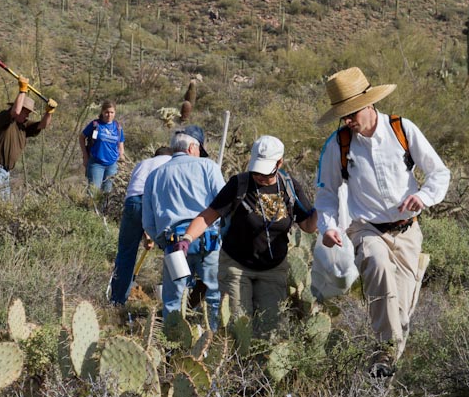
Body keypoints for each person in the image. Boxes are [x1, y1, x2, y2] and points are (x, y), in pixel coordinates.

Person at [315, 67, 450, 377]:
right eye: (343, 116)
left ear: (368, 104)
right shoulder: (338, 145)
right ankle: (383, 357)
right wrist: (329, 227)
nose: (347, 121)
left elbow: (439, 173)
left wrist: (425, 197)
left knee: (400, 314)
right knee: (376, 265)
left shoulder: (402, 130)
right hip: (367, 229)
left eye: (351, 113)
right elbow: (325, 194)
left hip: (407, 230)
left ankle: (384, 379)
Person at [177, 136, 317, 338]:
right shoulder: (239, 184)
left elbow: (308, 226)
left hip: (273, 268)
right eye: (256, 170)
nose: (259, 176)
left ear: (279, 163)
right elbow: (209, 215)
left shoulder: (290, 187)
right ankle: (236, 368)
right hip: (236, 266)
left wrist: (325, 206)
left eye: (264, 172)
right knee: (237, 326)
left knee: (271, 329)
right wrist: (188, 237)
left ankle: (257, 368)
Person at [142, 125, 225, 327]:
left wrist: (162, 242)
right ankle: (212, 338)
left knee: (173, 299)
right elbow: (224, 204)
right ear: (191, 148)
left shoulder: (155, 176)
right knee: (213, 294)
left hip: (174, 243)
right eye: (198, 150)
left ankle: (172, 345)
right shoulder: (208, 167)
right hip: (208, 241)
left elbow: (148, 221)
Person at [109, 146, 173, 306]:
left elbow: (137, 197)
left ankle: (116, 300)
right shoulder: (171, 162)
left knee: (125, 253)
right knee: (173, 249)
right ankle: (171, 300)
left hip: (132, 203)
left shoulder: (142, 163)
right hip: (153, 202)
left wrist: (146, 234)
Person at [0, 76, 56, 199]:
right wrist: (22, 91)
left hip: (5, 172)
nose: (27, 116)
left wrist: (49, 112)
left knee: (4, 210)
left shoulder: (24, 127)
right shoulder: (3, 118)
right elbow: (15, 112)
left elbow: (43, 125)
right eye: (26, 113)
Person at [79, 100, 126, 194]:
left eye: (112, 112)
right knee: (93, 192)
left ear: (115, 113)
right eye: (107, 112)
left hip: (112, 165)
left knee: (107, 193)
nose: (109, 115)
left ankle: (104, 209)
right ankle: (91, 209)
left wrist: (122, 161)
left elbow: (121, 146)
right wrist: (85, 156)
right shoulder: (95, 125)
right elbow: (82, 137)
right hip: (96, 163)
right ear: (102, 112)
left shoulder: (118, 127)